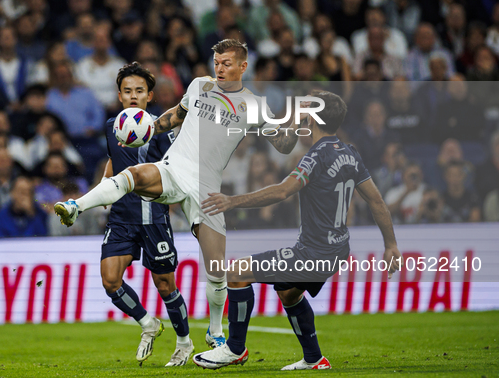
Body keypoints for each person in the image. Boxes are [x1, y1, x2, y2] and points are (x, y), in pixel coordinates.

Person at [54, 39, 298, 349]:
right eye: (217, 62)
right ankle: (76, 206)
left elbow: (283, 144)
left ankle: (214, 330)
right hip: (174, 167)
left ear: (243, 67)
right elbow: (175, 116)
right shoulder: (200, 86)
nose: (220, 68)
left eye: (227, 63)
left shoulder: (254, 106)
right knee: (133, 175)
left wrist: (293, 125)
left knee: (217, 270)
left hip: (206, 185)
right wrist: (148, 128)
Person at [192, 91, 402, 370]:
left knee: (236, 273)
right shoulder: (350, 153)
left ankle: (234, 349)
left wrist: (232, 201)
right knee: (289, 293)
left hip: (315, 252)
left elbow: (282, 192)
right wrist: (391, 245)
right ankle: (314, 359)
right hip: (338, 248)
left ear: (311, 118)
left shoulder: (314, 157)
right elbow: (376, 200)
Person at [83, 62, 194, 365]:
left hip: (154, 217)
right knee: (110, 281)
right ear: (119, 96)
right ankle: (148, 323)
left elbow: (175, 170)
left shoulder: (161, 129)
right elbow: (113, 160)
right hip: (120, 217)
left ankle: (184, 342)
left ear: (149, 96)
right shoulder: (112, 127)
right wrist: (105, 188)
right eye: (128, 91)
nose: (133, 96)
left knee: (165, 285)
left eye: (139, 91)